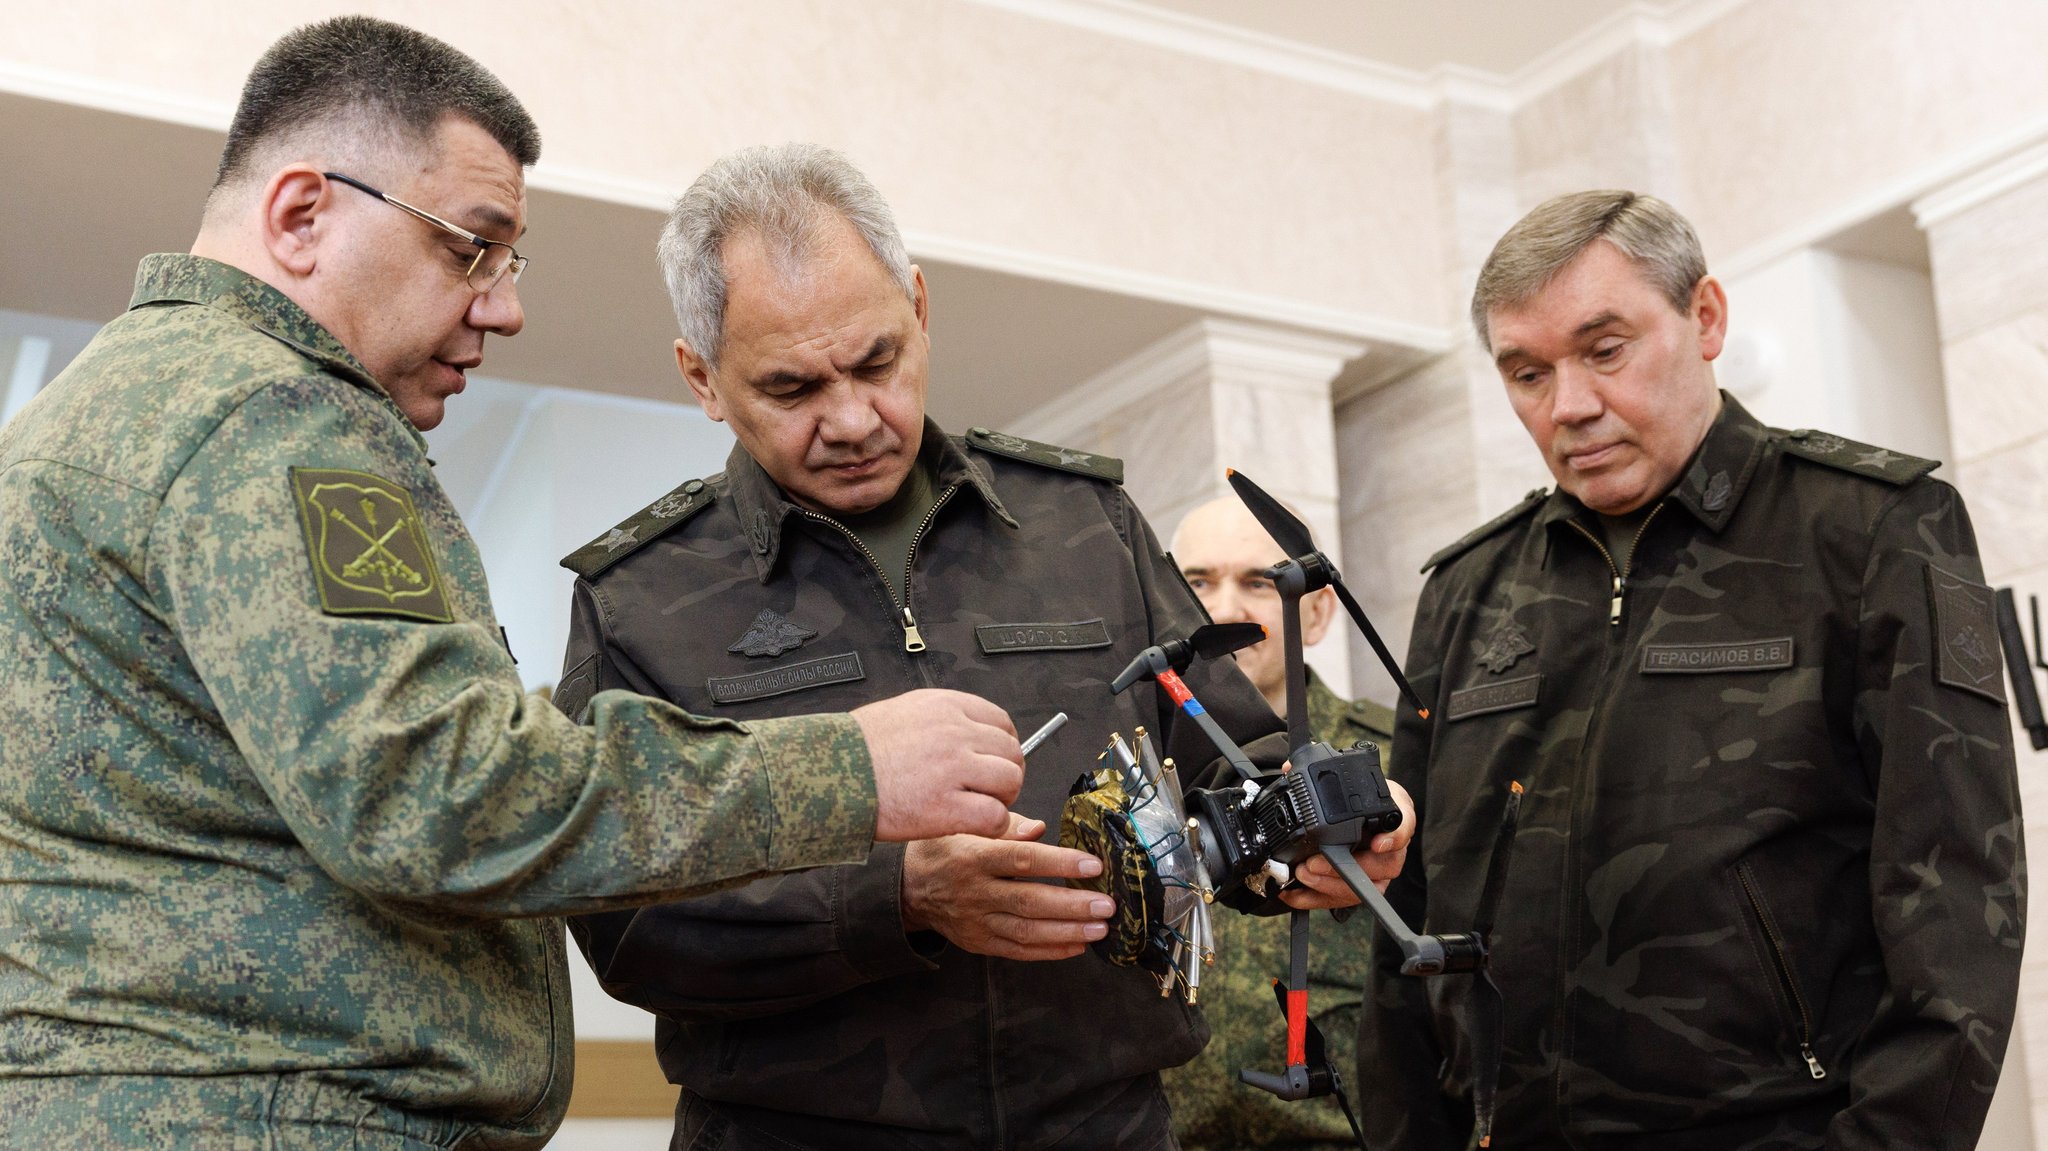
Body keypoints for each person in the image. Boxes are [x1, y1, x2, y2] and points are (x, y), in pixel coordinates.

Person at [0, 21, 1025, 1149]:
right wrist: (852, 768)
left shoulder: (100, 411)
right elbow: (433, 785)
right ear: (301, 215)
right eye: (467, 247)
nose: (503, 306)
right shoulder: (271, 410)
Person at [555, 143, 1411, 1151]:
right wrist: (901, 896)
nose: (852, 418)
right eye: (790, 389)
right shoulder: (644, 595)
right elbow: (629, 924)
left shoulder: (1084, 524)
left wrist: (1320, 826)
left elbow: (1236, 760)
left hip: (1110, 1123)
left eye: (877, 361)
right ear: (701, 377)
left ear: (918, 308)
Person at [1360, 190, 2024, 1150]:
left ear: (1704, 318)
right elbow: (1405, 922)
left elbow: (1961, 902)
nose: (1571, 406)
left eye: (1605, 349)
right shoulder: (1470, 589)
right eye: (1528, 372)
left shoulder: (1872, 528)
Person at [1165, 495, 1395, 1149]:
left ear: (1316, 610)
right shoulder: (1128, 774)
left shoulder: (1398, 766)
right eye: (1197, 583)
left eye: (1259, 582)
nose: (1223, 610)